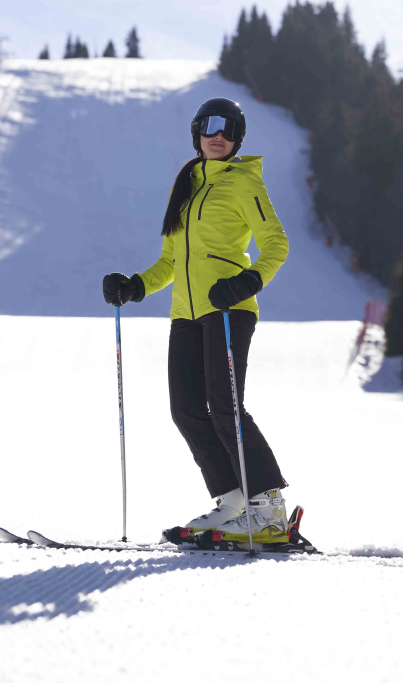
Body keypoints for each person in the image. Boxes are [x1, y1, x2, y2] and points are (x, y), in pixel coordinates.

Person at [102, 97, 290, 543]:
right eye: (210, 126)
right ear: (196, 132)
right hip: (185, 313)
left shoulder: (244, 182)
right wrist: (135, 286)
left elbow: (275, 243)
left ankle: (269, 510)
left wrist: (246, 283)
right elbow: (170, 260)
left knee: (226, 407)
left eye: (229, 128)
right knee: (186, 410)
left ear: (239, 138)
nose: (218, 135)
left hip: (228, 310)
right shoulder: (186, 185)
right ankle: (232, 503)